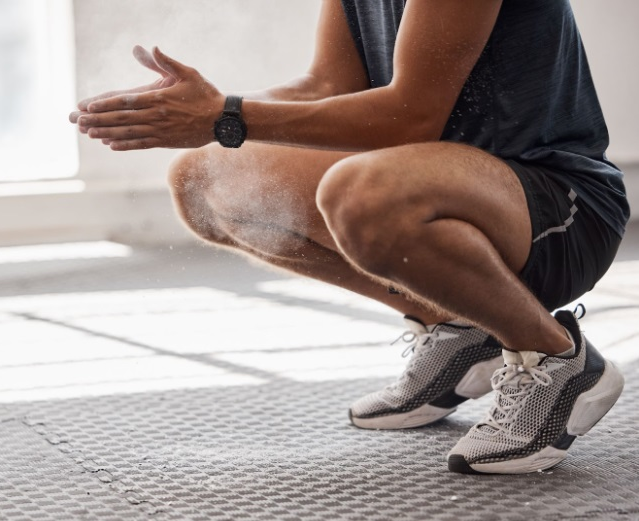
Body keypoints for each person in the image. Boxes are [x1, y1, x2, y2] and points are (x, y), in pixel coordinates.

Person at [69, 0, 630, 474]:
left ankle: (554, 357)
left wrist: (226, 117)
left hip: (560, 208)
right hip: (450, 188)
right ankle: (461, 326)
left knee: (359, 192)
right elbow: (326, 86)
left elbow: (411, 117)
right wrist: (196, 113)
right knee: (205, 179)